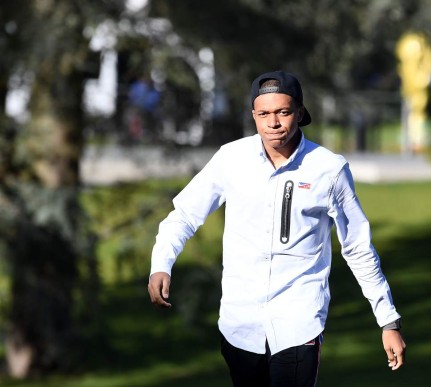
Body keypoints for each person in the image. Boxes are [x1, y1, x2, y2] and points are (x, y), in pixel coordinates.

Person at [148, 70, 406, 386]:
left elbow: (358, 247)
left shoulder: (329, 169)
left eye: (283, 112)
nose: (273, 123)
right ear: (253, 115)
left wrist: (388, 321)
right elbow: (184, 215)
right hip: (239, 325)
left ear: (299, 113)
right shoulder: (232, 159)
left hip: (298, 324)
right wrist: (161, 264)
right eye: (264, 114)